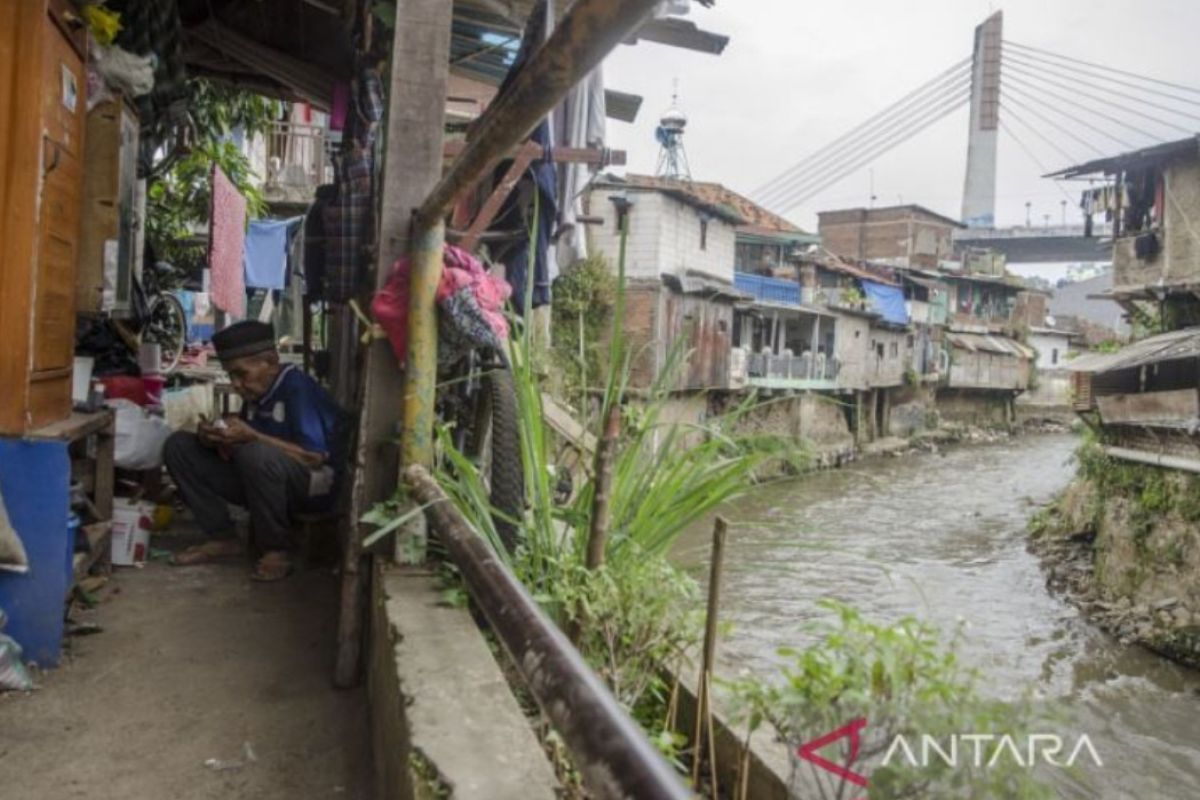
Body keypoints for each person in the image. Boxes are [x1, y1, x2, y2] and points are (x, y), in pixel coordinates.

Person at [163, 321, 343, 581]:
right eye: (230, 376)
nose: (236, 384)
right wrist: (213, 438)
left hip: (313, 487)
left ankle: (276, 549)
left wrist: (252, 436)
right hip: (267, 481)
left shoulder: (297, 388)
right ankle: (222, 537)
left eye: (241, 374)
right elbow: (244, 448)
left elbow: (313, 457)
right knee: (180, 446)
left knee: (255, 453)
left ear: (269, 362)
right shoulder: (258, 395)